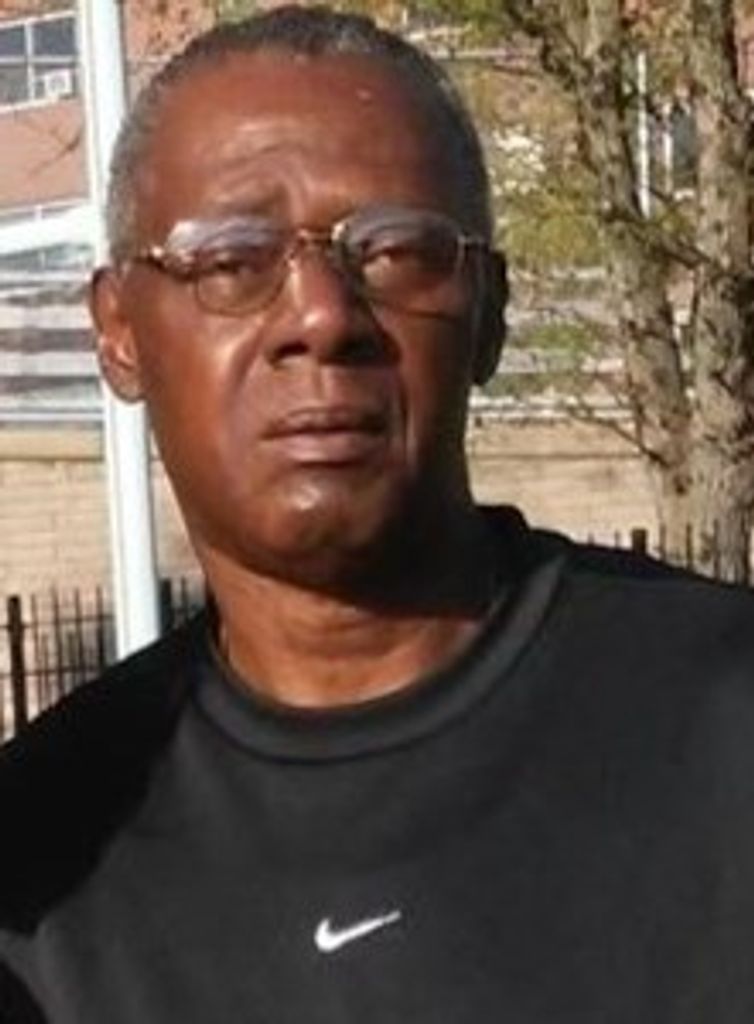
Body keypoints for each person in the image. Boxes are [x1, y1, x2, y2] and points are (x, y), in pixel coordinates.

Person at [3, 5, 754, 1022]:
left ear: (489, 311)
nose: (321, 316)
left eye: (396, 251)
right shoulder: (43, 864)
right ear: (118, 332)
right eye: (231, 263)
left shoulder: (721, 719)